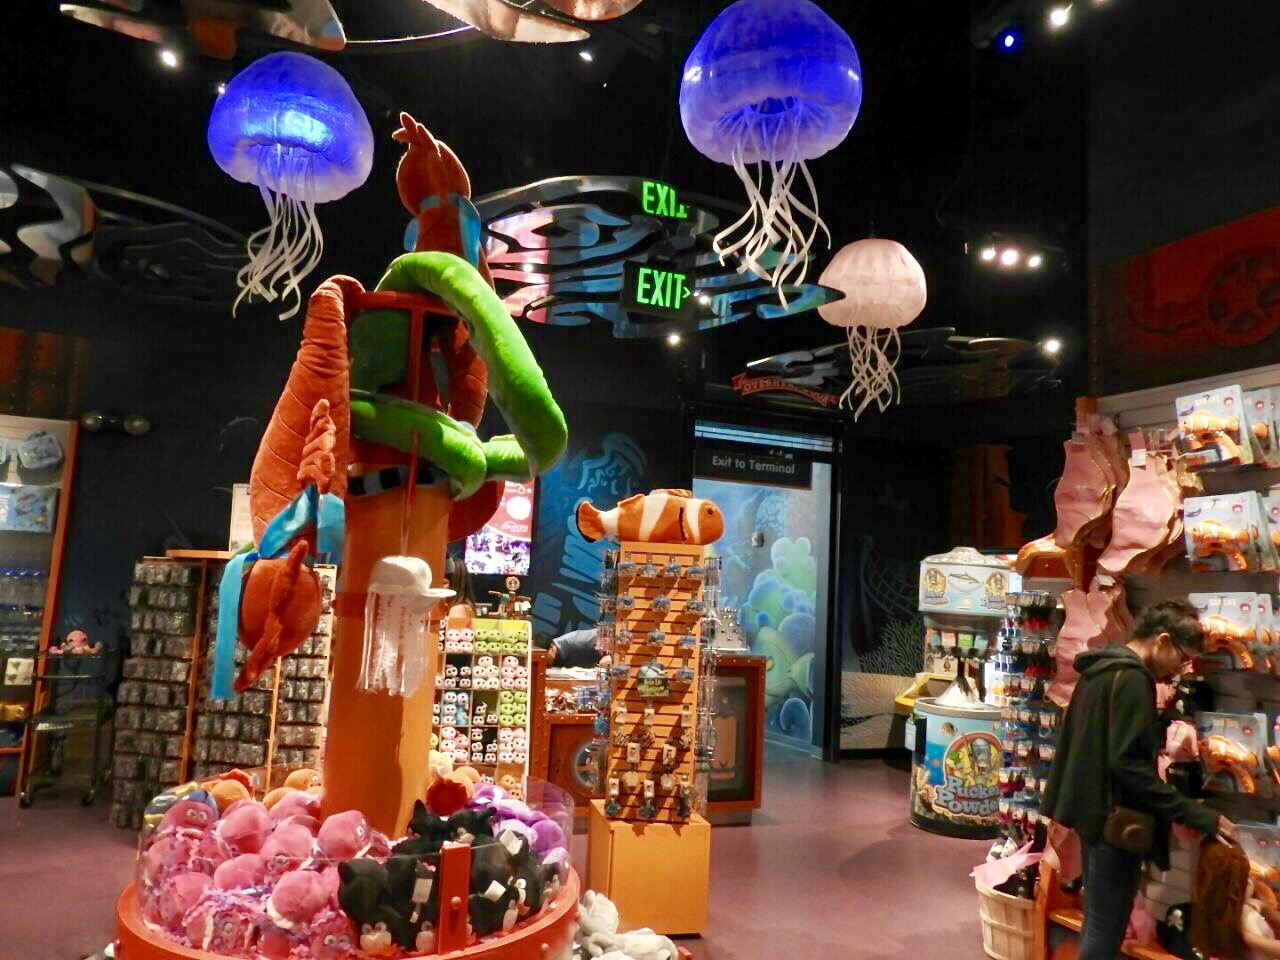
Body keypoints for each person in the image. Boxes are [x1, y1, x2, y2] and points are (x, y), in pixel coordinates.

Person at [1042, 599, 1234, 960]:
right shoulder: (1132, 679)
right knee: (1104, 932)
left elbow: (1100, 742)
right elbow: (1129, 767)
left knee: (1097, 923)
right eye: (1182, 657)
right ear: (1162, 641)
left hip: (1093, 815)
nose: (1180, 669)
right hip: (1116, 822)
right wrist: (1198, 815)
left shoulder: (1100, 670)